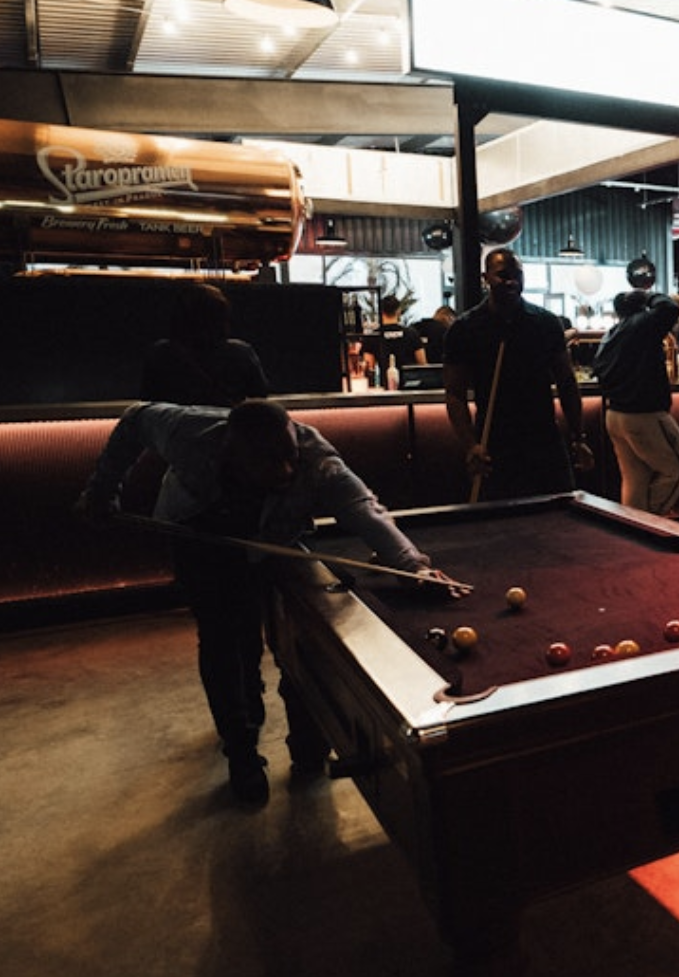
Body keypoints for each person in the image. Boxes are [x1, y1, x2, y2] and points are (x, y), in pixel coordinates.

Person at [72, 399, 459, 806]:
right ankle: (241, 752)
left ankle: (307, 744)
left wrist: (413, 566)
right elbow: (135, 418)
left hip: (273, 541)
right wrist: (102, 489)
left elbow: (362, 509)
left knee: (295, 640)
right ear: (232, 450)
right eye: (270, 461)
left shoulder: (316, 459)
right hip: (199, 538)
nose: (287, 470)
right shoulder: (190, 434)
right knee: (225, 641)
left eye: (289, 456)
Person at [443, 247, 591, 501]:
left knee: (560, 520)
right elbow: (455, 394)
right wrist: (471, 445)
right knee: (502, 527)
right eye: (502, 275)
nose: (511, 281)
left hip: (544, 439)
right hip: (494, 442)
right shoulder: (465, 329)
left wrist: (579, 437)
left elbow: (567, 383)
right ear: (485, 278)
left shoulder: (545, 323)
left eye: (517, 275)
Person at [592, 289, 679, 517]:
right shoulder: (643, 324)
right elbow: (668, 308)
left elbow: (597, 370)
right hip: (644, 415)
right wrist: (647, 294)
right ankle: (651, 518)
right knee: (678, 467)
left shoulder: (611, 334)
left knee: (634, 478)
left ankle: (633, 530)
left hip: (615, 415)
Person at [141, 282, 270, 407]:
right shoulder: (241, 352)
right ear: (222, 317)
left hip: (176, 427)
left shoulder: (161, 353)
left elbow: (149, 398)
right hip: (226, 426)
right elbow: (260, 395)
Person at [361, 295, 427, 381]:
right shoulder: (411, 334)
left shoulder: (373, 336)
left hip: (384, 385)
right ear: (398, 311)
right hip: (409, 384)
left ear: (381, 312)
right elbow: (422, 364)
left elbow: (369, 367)